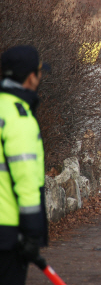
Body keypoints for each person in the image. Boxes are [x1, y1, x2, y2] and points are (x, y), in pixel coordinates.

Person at [0, 46, 50, 285]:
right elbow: (26, 177)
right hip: (8, 228)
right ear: (32, 77)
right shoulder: (20, 117)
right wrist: (32, 233)